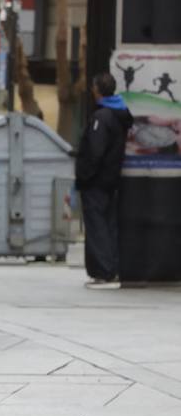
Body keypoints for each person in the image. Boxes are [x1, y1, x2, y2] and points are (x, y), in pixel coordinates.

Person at [75, 72, 133, 289]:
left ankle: (104, 271)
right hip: (112, 179)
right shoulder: (120, 114)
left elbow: (95, 151)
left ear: (97, 90)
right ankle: (110, 269)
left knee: (97, 225)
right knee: (108, 225)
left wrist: (85, 175)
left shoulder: (102, 117)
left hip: (96, 182)